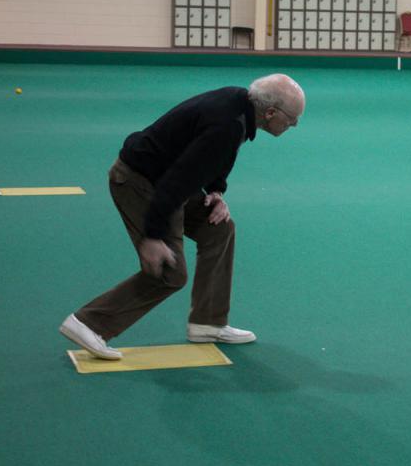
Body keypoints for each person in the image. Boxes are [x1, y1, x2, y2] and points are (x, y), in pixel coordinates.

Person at [60, 74, 305, 360]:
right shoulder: (226, 124)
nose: (294, 125)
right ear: (271, 112)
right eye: (292, 118)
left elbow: (218, 155)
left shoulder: (240, 106)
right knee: (169, 273)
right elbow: (177, 182)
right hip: (140, 182)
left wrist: (216, 191)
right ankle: (88, 323)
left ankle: (207, 323)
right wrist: (152, 236)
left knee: (219, 229)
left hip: (164, 180)